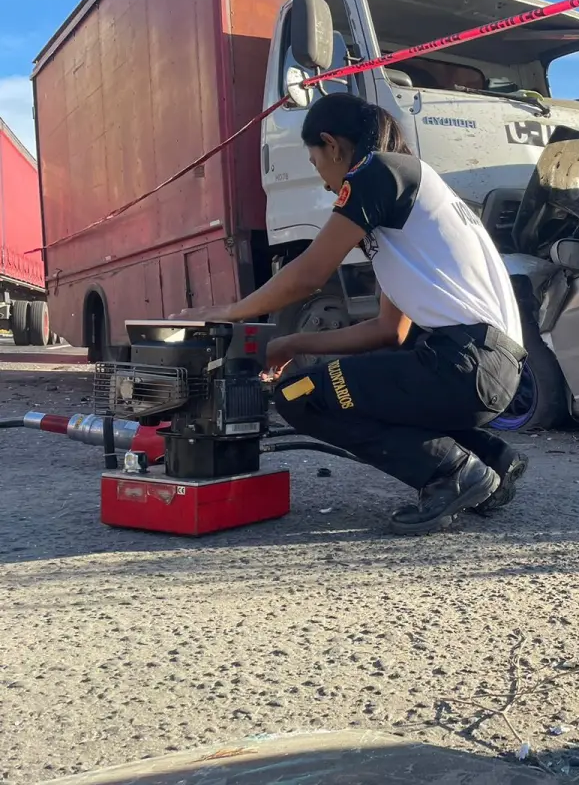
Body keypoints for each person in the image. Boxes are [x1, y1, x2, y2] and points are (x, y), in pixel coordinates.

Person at [171, 92, 528, 535]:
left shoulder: (376, 171)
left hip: (464, 364)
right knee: (362, 381)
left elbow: (310, 274)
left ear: (333, 145)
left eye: (316, 162)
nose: (323, 182)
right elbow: (388, 331)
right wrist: (291, 343)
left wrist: (232, 312)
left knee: (299, 394)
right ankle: (492, 459)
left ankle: (450, 473)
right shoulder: (410, 199)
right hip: (488, 372)